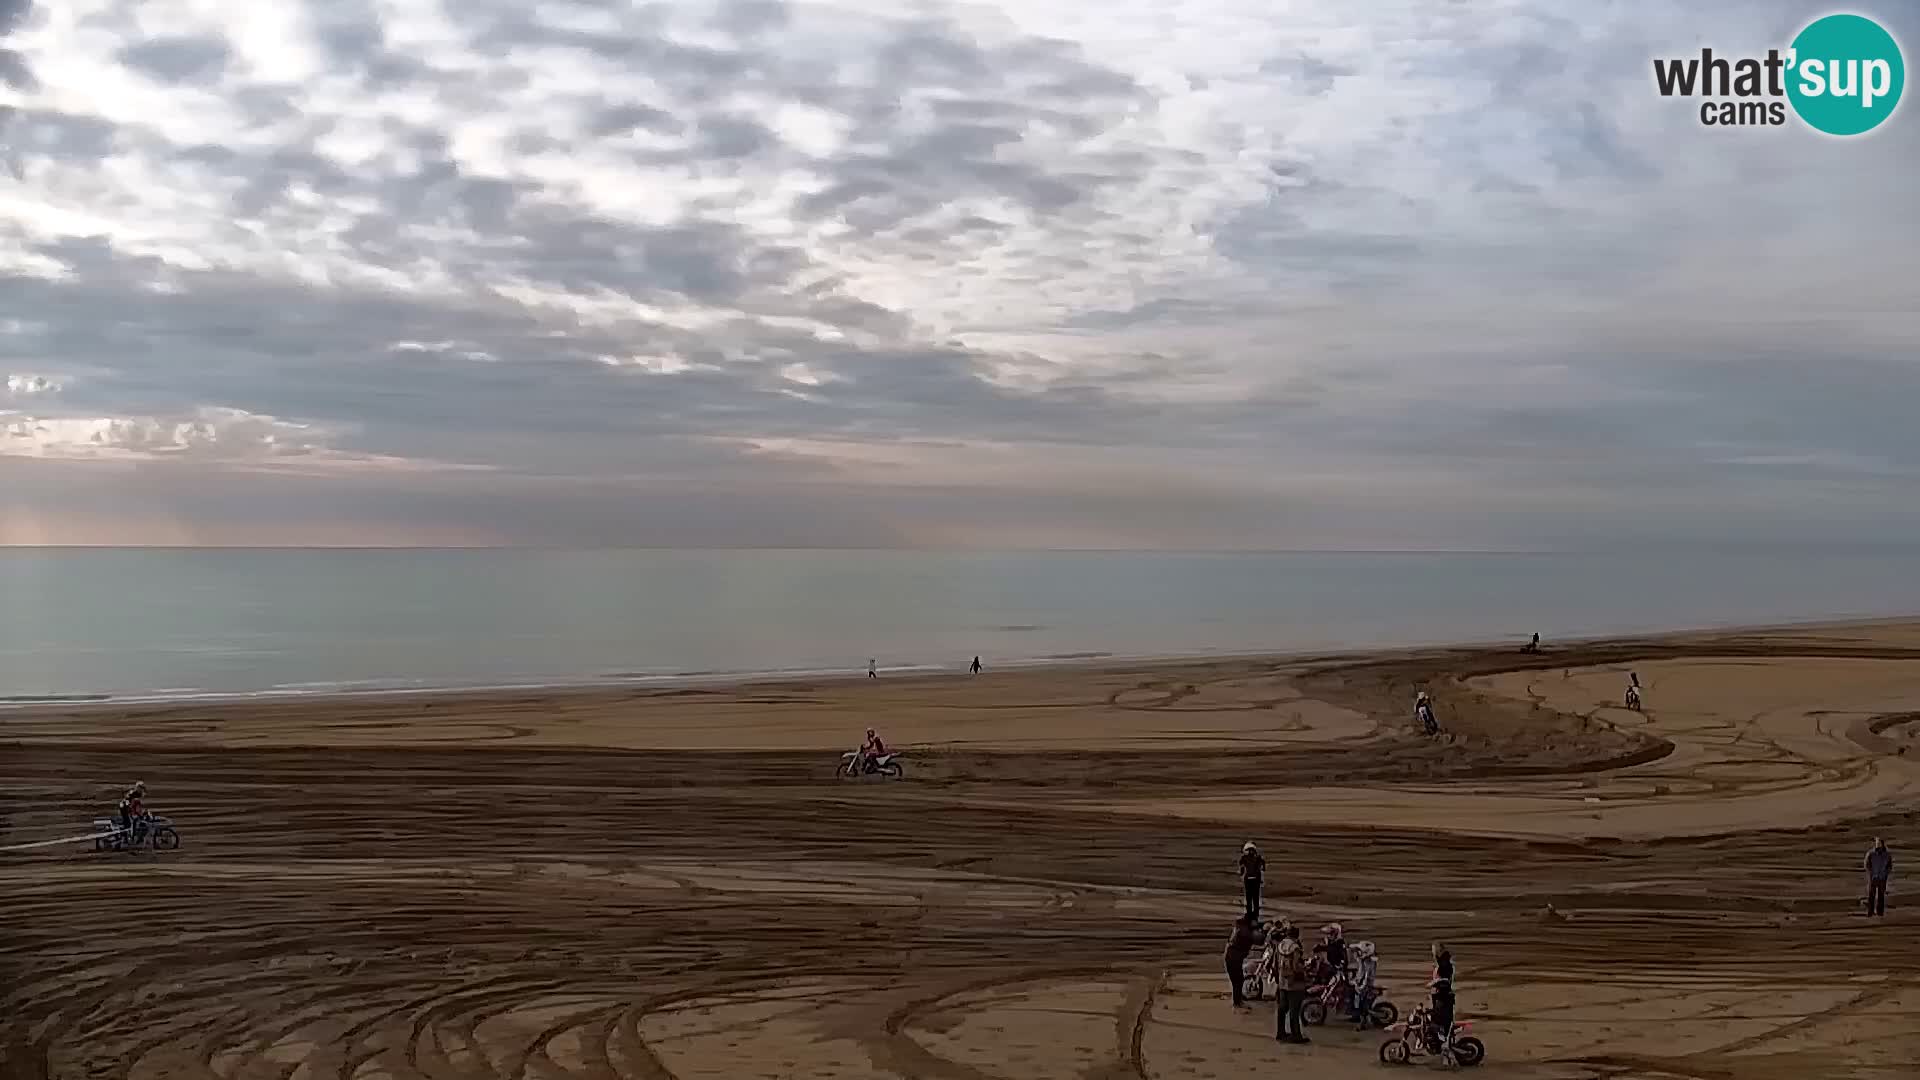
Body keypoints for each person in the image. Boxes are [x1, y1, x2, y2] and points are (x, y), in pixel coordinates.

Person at [1274, 931, 1310, 1044]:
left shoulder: (1280, 945)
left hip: (1282, 982)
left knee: (1282, 1008)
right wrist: (1305, 967)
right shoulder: (1295, 948)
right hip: (1294, 984)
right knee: (1294, 1010)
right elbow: (1296, 967)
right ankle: (1296, 1035)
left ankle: (1280, 1033)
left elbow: (1275, 963)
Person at [1425, 943, 1456, 1054]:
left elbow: (1446, 980)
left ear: (1439, 951)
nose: (1432, 953)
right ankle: (1437, 1044)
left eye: (1434, 950)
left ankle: (1444, 1045)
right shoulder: (1441, 962)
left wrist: (1435, 982)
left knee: (1440, 1022)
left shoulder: (1445, 964)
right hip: (1439, 996)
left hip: (1444, 998)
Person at [1224, 914, 1257, 1007]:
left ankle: (1238, 999)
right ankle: (1237, 1002)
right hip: (1234, 959)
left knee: (1237, 980)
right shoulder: (1244, 932)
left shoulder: (1238, 929)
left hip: (1231, 958)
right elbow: (1253, 939)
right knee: (1237, 980)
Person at [1349, 941, 1379, 1028]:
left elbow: (1366, 976)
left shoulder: (1369, 963)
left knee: (1362, 1005)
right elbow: (1360, 973)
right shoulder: (1363, 961)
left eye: (1359, 951)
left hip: (1366, 986)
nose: (1357, 953)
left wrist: (1361, 986)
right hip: (1363, 983)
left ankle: (1363, 1024)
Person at [1865, 838, 1893, 917]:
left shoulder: (1887, 855)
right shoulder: (1871, 853)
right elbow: (1867, 864)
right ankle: (1870, 912)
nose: (1877, 844)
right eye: (1877, 843)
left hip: (1882, 878)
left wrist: (1885, 874)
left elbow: (1889, 866)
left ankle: (1880, 913)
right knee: (1871, 896)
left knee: (1881, 896)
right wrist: (1871, 873)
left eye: (1879, 843)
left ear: (1882, 844)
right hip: (1873, 878)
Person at [1238, 841, 1265, 918]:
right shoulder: (1258, 858)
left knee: (1250, 897)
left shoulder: (1244, 858)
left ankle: (1250, 913)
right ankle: (1254, 913)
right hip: (1255, 880)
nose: (1250, 852)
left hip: (1249, 880)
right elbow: (1263, 868)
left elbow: (1242, 870)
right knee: (1254, 897)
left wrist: (1241, 873)